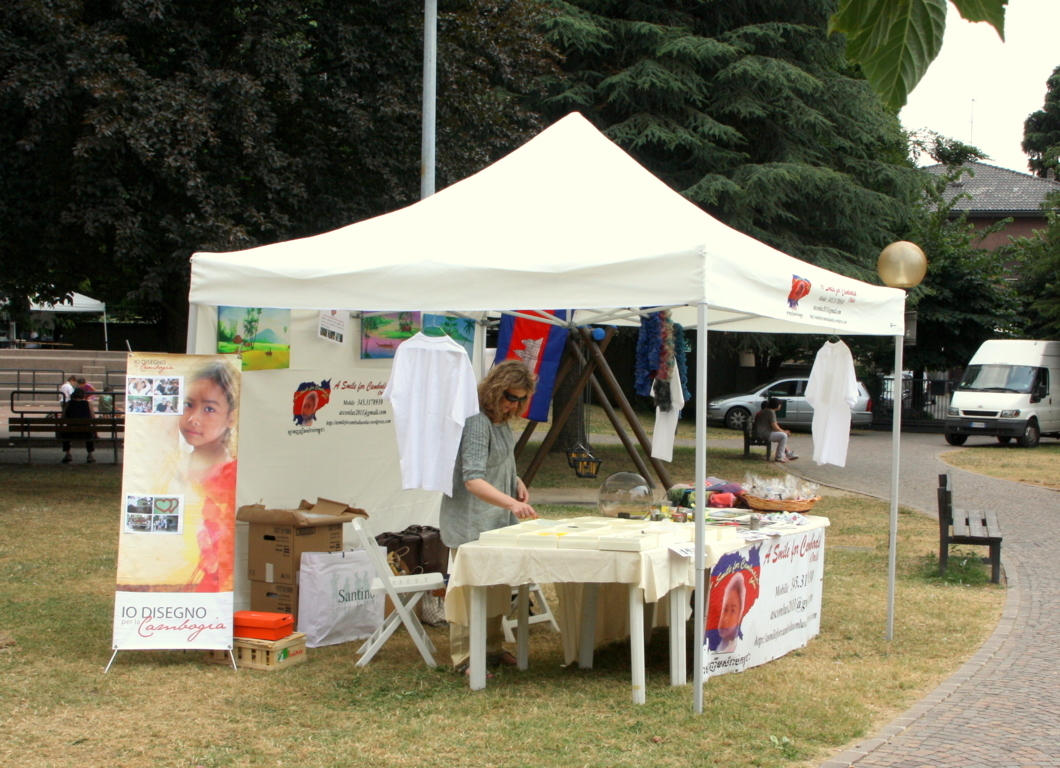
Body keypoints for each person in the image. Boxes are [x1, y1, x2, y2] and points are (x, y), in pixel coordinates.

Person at [441, 359, 537, 676]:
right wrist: (512, 504)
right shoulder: (477, 421)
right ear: (496, 389)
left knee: (496, 587)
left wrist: (516, 481)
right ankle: (465, 658)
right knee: (470, 593)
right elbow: (472, 479)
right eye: (510, 397)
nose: (514, 405)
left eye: (521, 399)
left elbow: (499, 463)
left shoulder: (500, 421)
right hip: (471, 521)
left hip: (495, 521)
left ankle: (492, 649)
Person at [179, 362, 239, 592]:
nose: (193, 418)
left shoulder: (234, 475)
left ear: (231, 417)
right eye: (188, 405)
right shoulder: (170, 468)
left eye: (209, 409)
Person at [753, 397, 798, 463]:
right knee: (783, 436)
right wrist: (784, 431)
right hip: (762, 434)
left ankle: (783, 455)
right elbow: (775, 427)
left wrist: (783, 431)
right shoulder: (771, 412)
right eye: (780, 404)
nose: (780, 406)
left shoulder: (766, 411)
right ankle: (779, 457)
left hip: (759, 433)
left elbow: (774, 427)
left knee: (782, 435)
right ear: (777, 405)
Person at [60, 387, 96, 464]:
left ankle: (68, 454)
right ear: (83, 395)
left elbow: (62, 418)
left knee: (64, 432)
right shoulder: (87, 404)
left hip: (70, 432)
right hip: (86, 433)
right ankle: (90, 455)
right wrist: (96, 433)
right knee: (90, 431)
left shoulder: (68, 404)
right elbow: (93, 419)